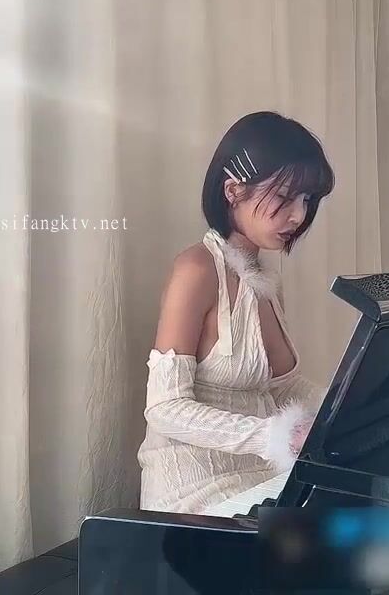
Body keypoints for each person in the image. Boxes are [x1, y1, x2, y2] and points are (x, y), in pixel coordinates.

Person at [138, 111, 335, 514]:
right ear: (233, 190)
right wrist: (272, 437)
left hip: (260, 480)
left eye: (307, 200)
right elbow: (163, 409)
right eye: (284, 198)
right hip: (195, 492)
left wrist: (349, 408)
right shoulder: (196, 269)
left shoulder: (262, 278)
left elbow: (280, 388)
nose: (299, 216)